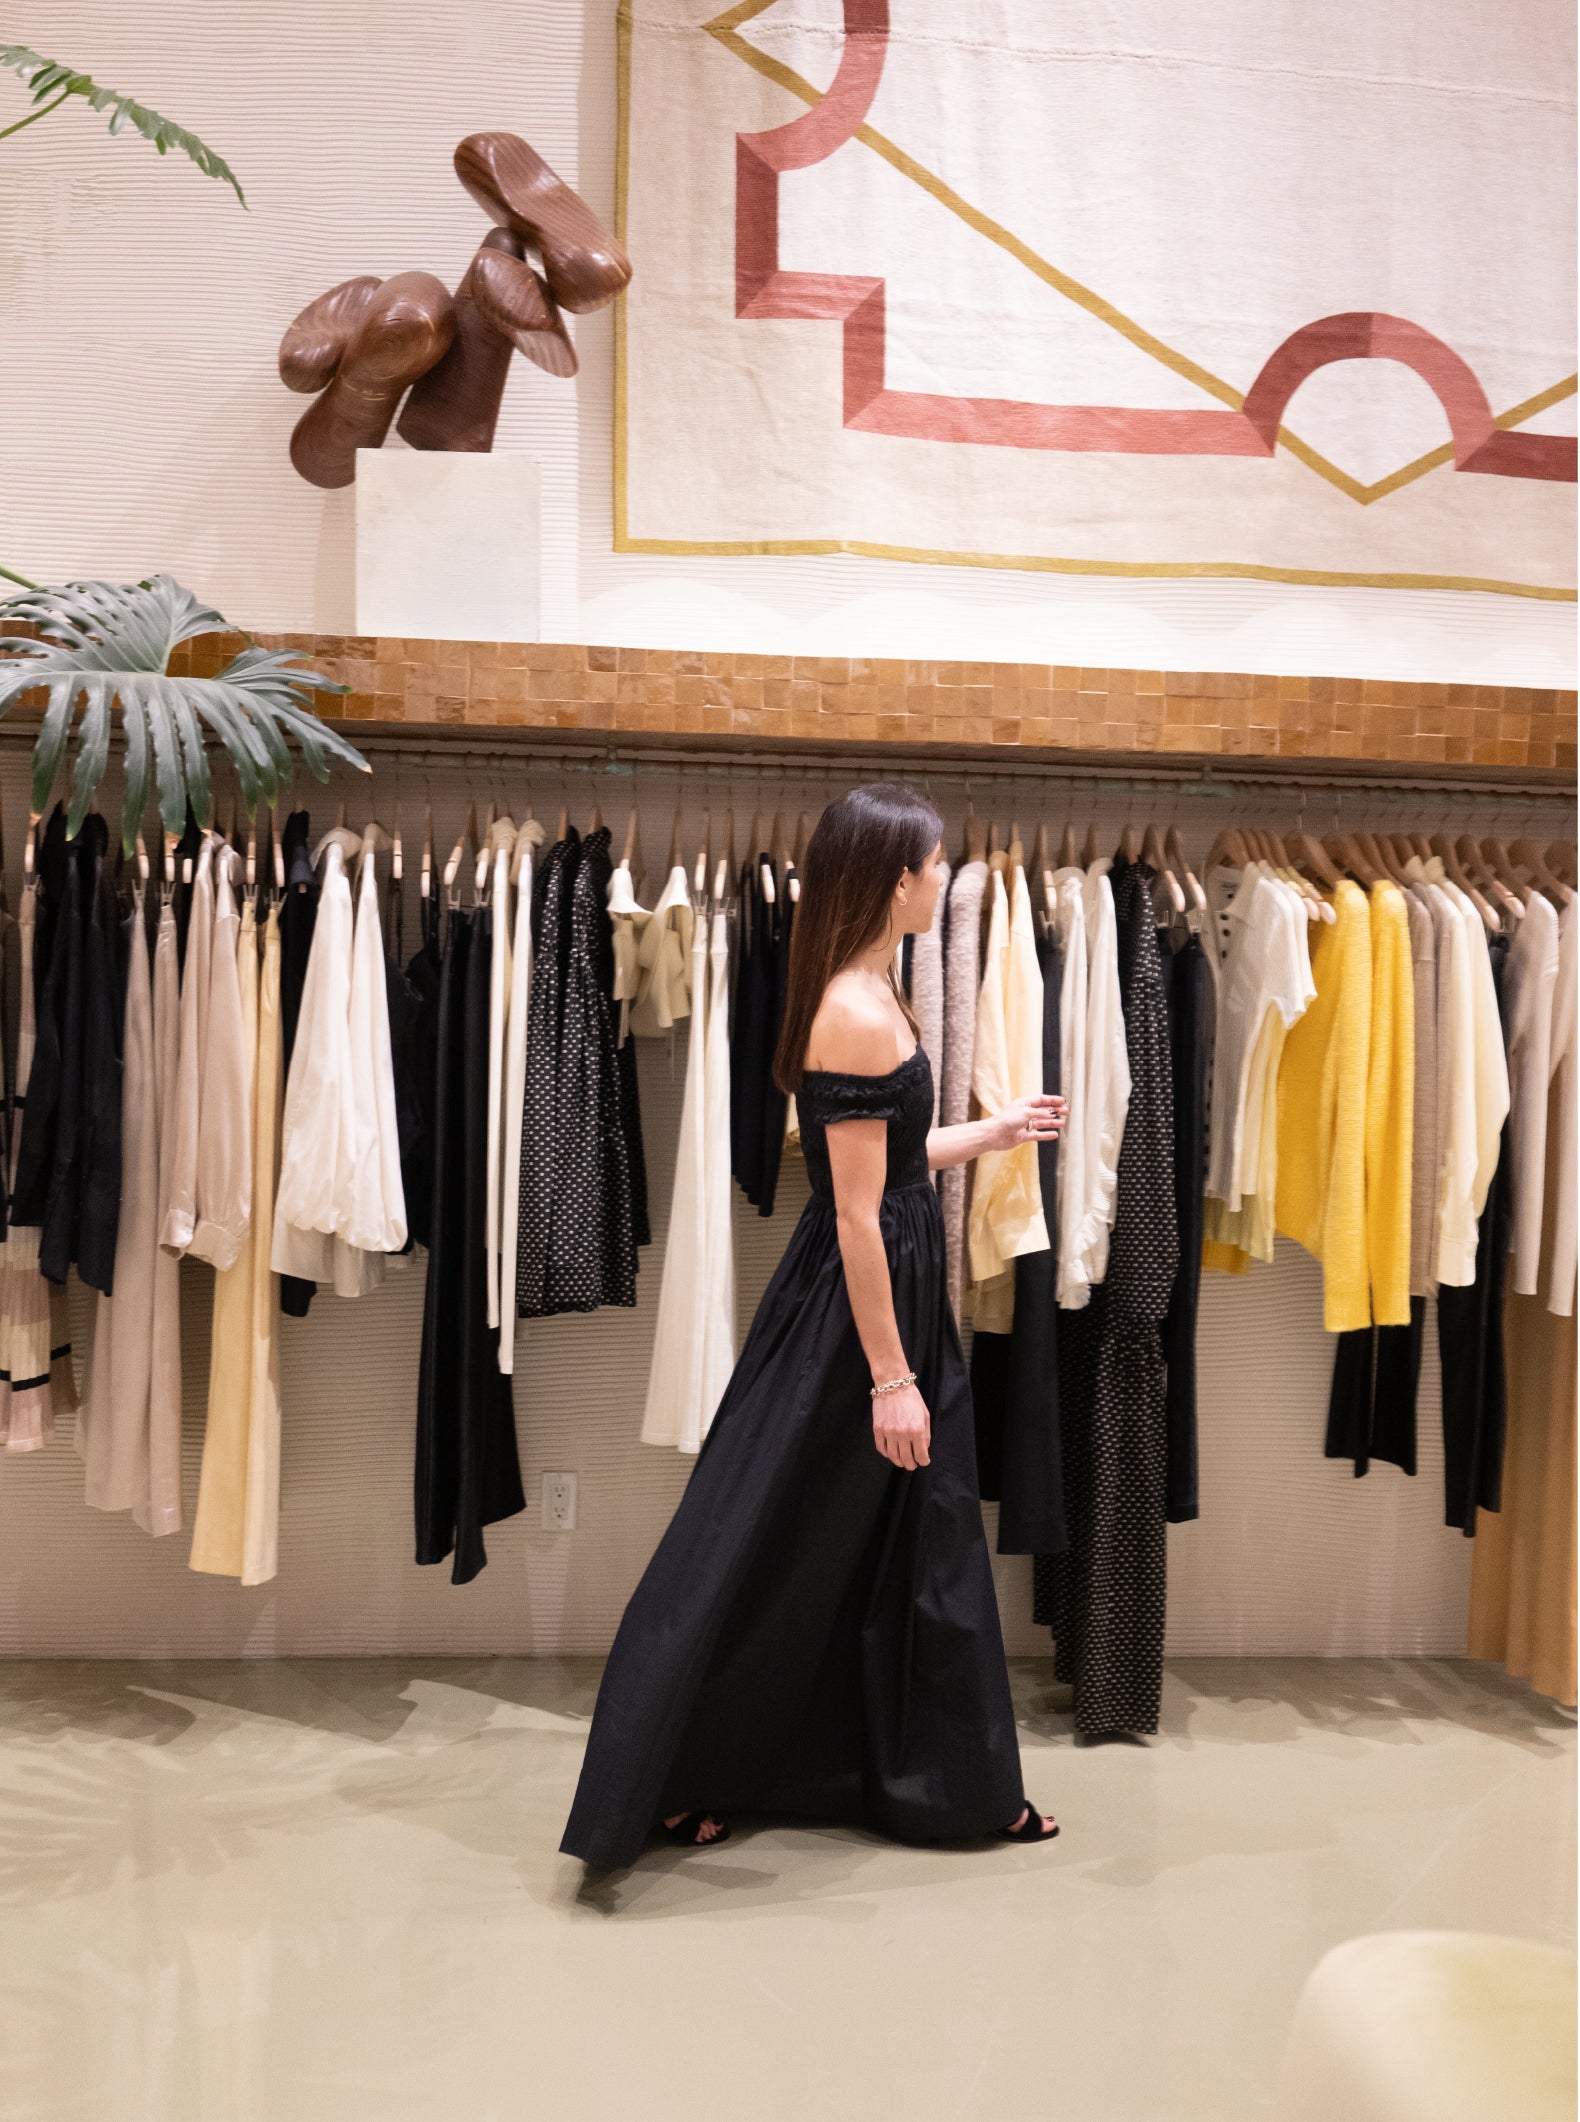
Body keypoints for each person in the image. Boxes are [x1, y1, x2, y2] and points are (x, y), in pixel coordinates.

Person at [560, 783, 1066, 1867]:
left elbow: (887, 1164)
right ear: (894, 879)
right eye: (934, 865)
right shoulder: (850, 1005)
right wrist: (889, 1376)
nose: (943, 877)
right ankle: (689, 1770)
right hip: (855, 1314)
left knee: (871, 1535)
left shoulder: (874, 988)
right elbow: (849, 1210)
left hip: (890, 1290)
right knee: (771, 1532)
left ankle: (940, 1782)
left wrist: (995, 1130)